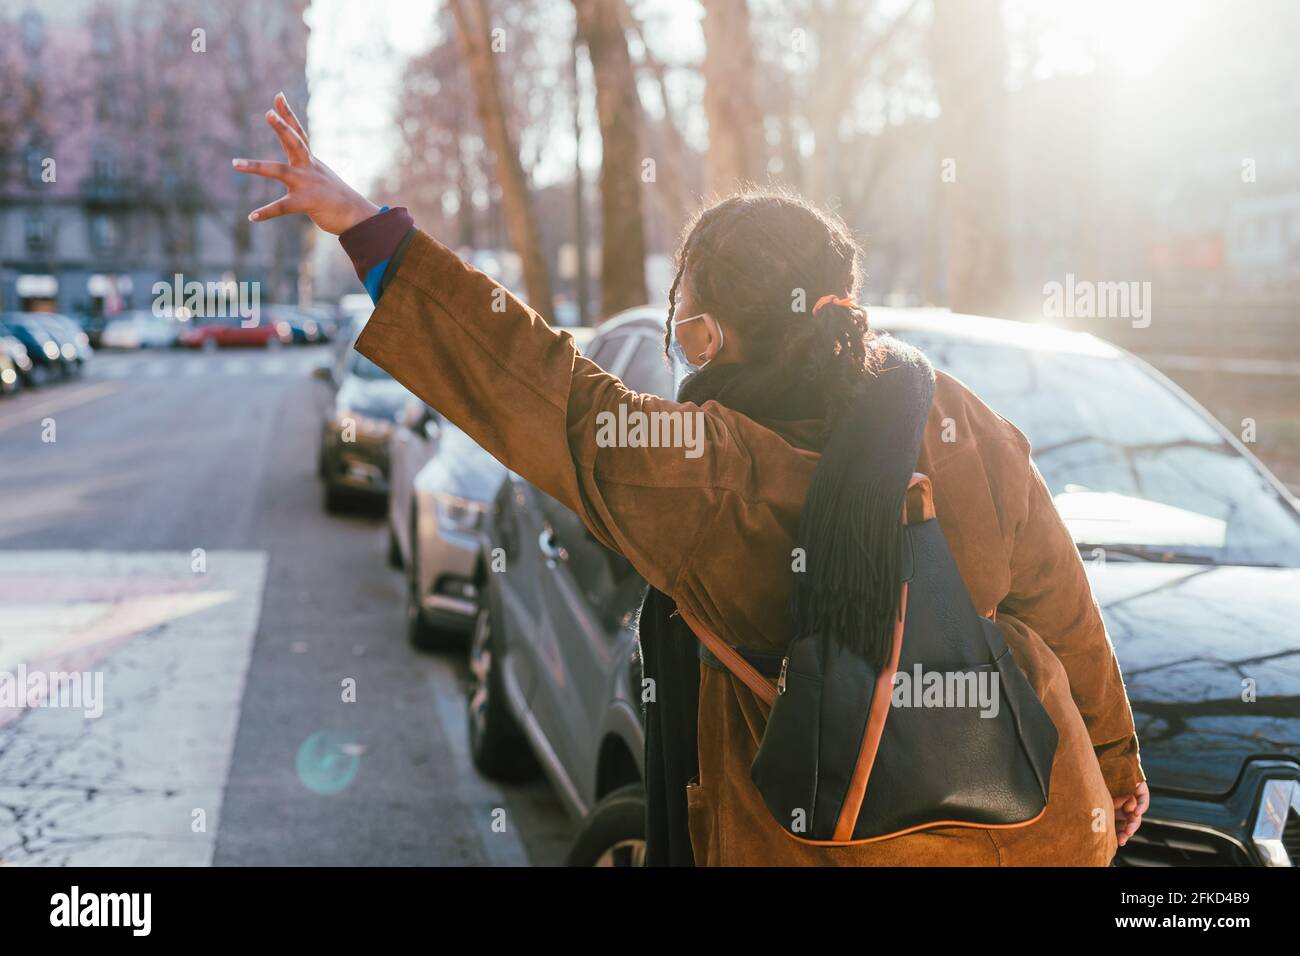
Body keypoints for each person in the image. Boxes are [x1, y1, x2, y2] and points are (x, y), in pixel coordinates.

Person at [235, 94, 1149, 866]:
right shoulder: (955, 417)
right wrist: (1114, 768)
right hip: (1035, 833)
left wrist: (369, 230)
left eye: (684, 315)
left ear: (706, 335)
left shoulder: (709, 475)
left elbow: (537, 385)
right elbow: (1062, 608)